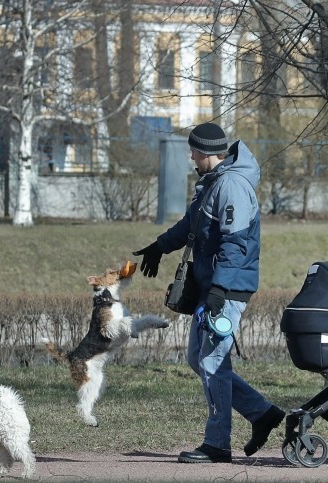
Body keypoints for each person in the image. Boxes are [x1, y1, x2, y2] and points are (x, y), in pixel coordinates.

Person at [133, 122, 284, 463]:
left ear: (205, 151)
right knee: (197, 359)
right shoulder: (212, 183)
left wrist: (220, 288)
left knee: (213, 362)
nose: (190, 156)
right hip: (211, 287)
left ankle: (217, 444)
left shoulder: (231, 185)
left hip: (225, 290)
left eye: (193, 150)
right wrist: (159, 246)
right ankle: (262, 413)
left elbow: (236, 242)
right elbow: (190, 225)